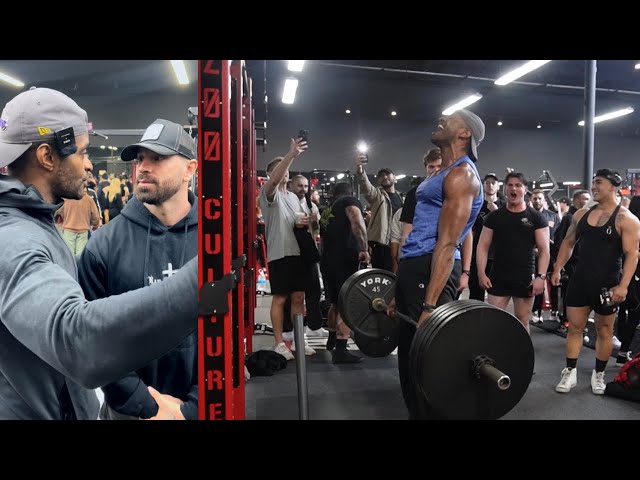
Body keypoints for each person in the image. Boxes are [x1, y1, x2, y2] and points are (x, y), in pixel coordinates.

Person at [0, 87, 197, 419]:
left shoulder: (37, 224)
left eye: (158, 158)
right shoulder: (15, 239)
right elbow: (79, 340)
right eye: (82, 152)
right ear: (48, 157)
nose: (88, 164)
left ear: (189, 170)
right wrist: (207, 275)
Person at [77, 119, 198, 420]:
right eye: (141, 158)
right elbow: (91, 340)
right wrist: (144, 403)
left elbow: (231, 331)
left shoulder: (215, 243)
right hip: (129, 411)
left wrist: (193, 408)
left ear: (190, 170)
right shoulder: (104, 244)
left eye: (157, 158)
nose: (143, 167)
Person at [393, 109, 485, 419]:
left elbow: (447, 243)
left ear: (464, 134)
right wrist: (398, 290)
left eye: (453, 117)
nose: (443, 117)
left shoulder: (463, 175)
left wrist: (430, 305)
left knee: (429, 361)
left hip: (433, 267)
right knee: (407, 360)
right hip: (414, 265)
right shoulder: (441, 173)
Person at [552, 169, 640, 395]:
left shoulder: (627, 219)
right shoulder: (581, 214)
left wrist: (623, 286)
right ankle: (569, 372)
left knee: (604, 330)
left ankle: (598, 374)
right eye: (593, 182)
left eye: (599, 182)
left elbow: (632, 254)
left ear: (613, 186)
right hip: (581, 280)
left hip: (608, 284)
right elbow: (568, 242)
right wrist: (557, 268)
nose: (594, 187)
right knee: (575, 328)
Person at [476, 174, 550, 333]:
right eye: (510, 185)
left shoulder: (536, 218)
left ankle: (522, 358)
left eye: (518, 185)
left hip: (524, 277)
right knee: (494, 321)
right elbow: (482, 246)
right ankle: (496, 357)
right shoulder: (494, 217)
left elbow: (544, 250)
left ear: (525, 189)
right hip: (499, 275)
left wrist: (541, 277)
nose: (513, 188)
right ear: (505, 189)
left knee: (522, 320)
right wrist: (481, 273)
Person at [258, 137, 308, 360]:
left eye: (287, 169)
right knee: (279, 297)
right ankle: (279, 342)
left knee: (298, 297)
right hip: (279, 252)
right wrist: (291, 155)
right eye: (280, 169)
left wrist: (305, 223)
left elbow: (298, 223)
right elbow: (276, 178)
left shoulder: (294, 198)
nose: (285, 172)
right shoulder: (268, 192)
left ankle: (298, 339)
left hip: (298, 253)